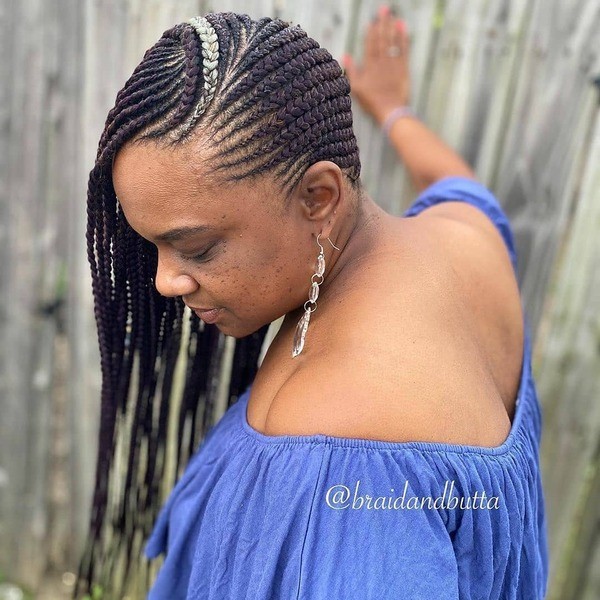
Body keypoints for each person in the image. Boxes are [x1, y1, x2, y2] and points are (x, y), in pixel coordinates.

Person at [77, 7, 549, 599]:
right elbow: (450, 176)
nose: (165, 281)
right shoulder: (468, 232)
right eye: (154, 248)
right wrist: (393, 109)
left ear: (320, 196)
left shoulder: (338, 457)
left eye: (195, 247)